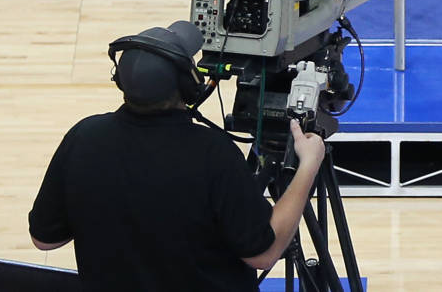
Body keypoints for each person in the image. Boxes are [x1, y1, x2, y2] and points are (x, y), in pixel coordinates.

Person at [27, 22, 319, 288]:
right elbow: (263, 254)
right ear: (188, 87)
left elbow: (44, 239)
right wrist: (307, 165)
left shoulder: (84, 137)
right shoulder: (213, 154)